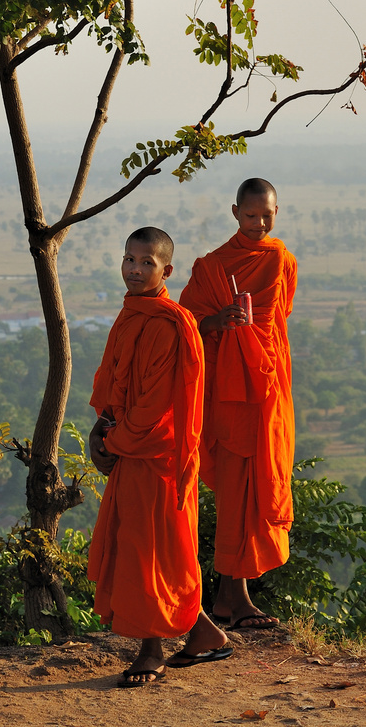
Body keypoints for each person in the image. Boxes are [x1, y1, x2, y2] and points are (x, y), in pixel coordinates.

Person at [88, 226, 232, 687]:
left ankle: (151, 651)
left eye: (146, 263)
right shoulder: (132, 314)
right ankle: (206, 635)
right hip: (132, 448)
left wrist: (114, 442)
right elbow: (114, 384)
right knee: (143, 547)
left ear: (166, 270)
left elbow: (153, 408)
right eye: (129, 259)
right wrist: (102, 428)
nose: (134, 269)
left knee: (151, 552)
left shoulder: (168, 323)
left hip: (159, 455)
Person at [179, 178, 297, 630]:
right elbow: (187, 323)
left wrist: (254, 345)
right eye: (250, 216)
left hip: (266, 387)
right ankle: (234, 598)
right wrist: (218, 320)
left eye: (267, 215)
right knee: (235, 493)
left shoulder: (282, 261)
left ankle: (233, 598)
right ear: (234, 213)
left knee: (259, 486)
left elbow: (276, 324)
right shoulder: (211, 267)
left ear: (277, 211)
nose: (259, 224)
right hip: (229, 392)